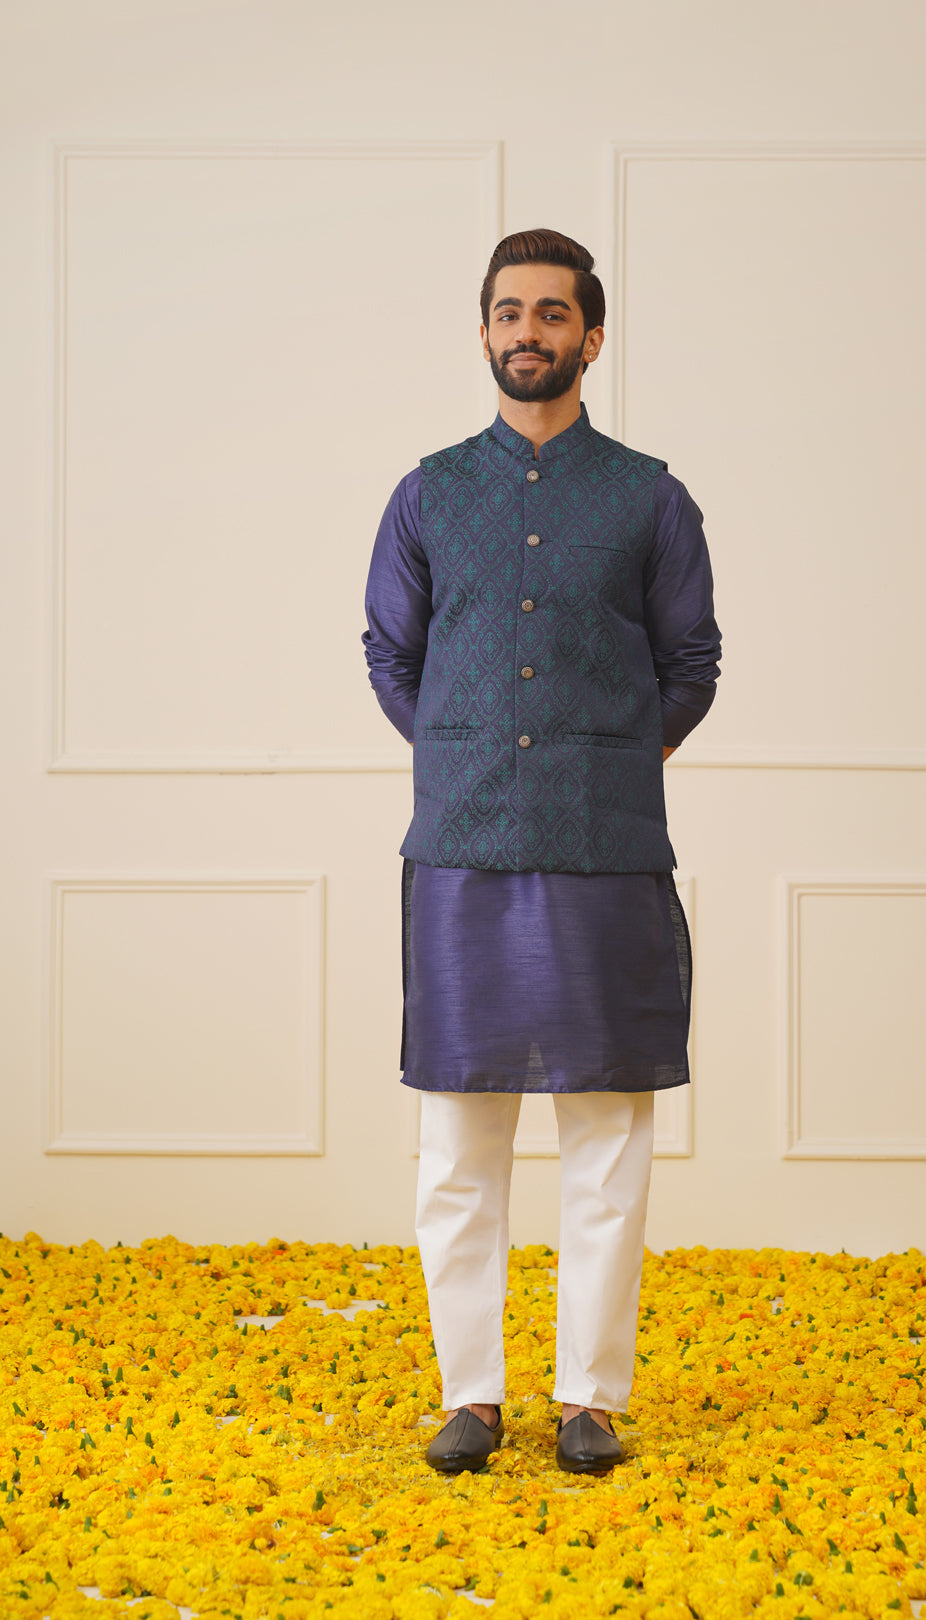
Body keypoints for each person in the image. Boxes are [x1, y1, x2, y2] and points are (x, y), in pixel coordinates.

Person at [362, 228, 722, 1475]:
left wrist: (603, 761)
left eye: (553, 313)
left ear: (592, 337)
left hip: (605, 846)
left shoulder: (650, 497)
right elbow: (391, 655)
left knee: (607, 1130)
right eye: (510, 312)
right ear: (483, 332)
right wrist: (468, 754)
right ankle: (471, 1396)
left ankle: (589, 1401)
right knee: (457, 1137)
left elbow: (691, 664)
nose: (530, 331)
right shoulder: (427, 494)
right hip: (460, 847)